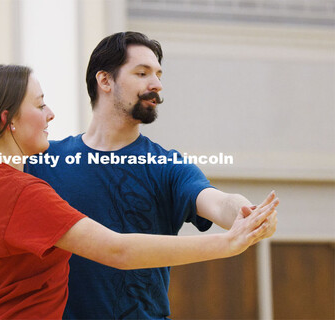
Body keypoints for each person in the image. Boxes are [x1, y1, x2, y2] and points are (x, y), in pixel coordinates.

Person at [0, 64, 277, 319]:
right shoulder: (23, 192)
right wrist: (227, 243)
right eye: (39, 104)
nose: (50, 113)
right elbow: (117, 249)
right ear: (7, 120)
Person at [25, 32, 279, 319]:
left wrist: (246, 213)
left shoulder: (166, 165)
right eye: (142, 73)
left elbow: (218, 203)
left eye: (158, 74)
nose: (156, 84)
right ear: (105, 81)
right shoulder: (43, 162)